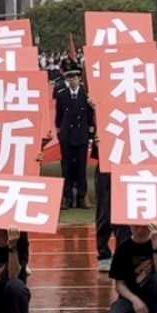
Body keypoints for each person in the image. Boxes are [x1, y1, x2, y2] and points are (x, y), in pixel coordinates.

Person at [54, 66, 92, 209]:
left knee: (81, 167)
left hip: (81, 134)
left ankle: (82, 197)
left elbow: (89, 117)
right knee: (67, 167)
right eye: (70, 78)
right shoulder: (62, 95)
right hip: (67, 135)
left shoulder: (85, 95)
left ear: (80, 79)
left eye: (75, 78)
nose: (73, 81)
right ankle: (67, 197)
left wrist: (90, 133)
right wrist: (59, 131)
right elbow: (59, 116)